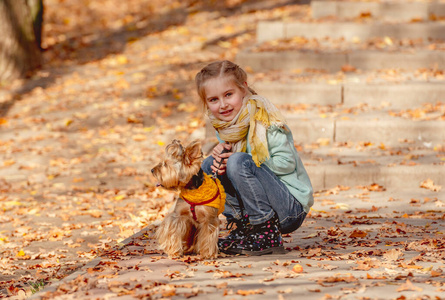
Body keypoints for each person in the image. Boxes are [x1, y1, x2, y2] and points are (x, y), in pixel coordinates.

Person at [195, 60, 313, 256]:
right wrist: (224, 157)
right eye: (213, 100)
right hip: (259, 205)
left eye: (228, 95)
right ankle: (245, 227)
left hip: (289, 209)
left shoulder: (267, 122)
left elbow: (286, 164)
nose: (223, 105)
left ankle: (265, 232)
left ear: (243, 89)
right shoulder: (228, 127)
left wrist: (243, 160)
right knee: (210, 164)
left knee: (237, 161)